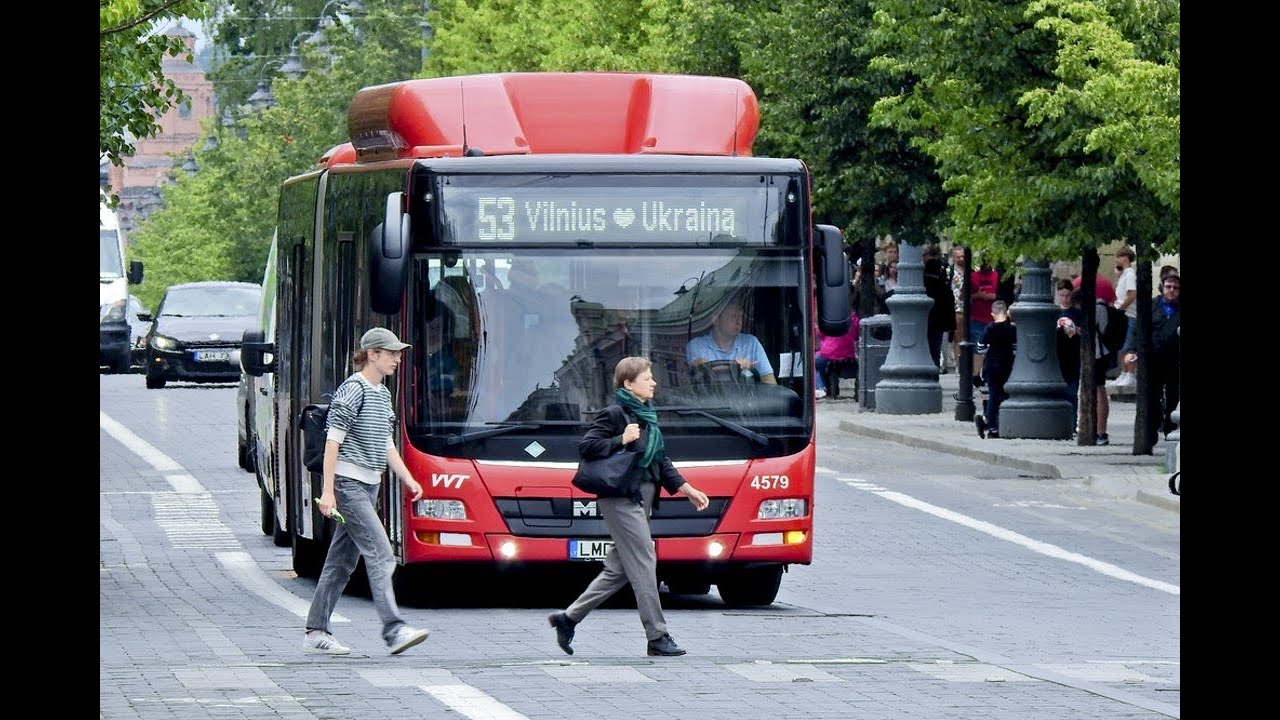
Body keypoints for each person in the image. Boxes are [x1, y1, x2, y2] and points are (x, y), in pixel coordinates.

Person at [548, 357, 711, 657]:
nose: (653, 382)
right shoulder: (614, 413)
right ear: (628, 384)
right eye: (647, 378)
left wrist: (688, 490)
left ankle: (568, 619)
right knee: (645, 559)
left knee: (618, 570)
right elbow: (587, 446)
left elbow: (660, 460)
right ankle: (657, 636)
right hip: (620, 498)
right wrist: (620, 439)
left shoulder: (648, 416)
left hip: (641, 498)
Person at [304, 327, 429, 656]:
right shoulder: (353, 389)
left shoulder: (382, 394)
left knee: (341, 562)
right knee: (381, 553)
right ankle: (394, 629)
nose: (397, 359)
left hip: (369, 486)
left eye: (398, 353)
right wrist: (328, 492)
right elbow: (333, 443)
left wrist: (408, 479)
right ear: (372, 354)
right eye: (392, 353)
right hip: (349, 487)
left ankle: (316, 631)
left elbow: (386, 444)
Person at [1125, 274, 1180, 446]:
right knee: (1153, 397)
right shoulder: (1151, 306)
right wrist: (1131, 350)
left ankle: (1171, 429)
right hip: (1153, 359)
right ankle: (1152, 430)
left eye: (1175, 288)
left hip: (1175, 360)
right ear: (1162, 287)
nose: (1171, 290)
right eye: (1168, 287)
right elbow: (1138, 330)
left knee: (1174, 396)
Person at [686, 303, 777, 383]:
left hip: (745, 397)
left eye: (740, 316)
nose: (739, 322)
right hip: (709, 396)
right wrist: (737, 367)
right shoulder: (696, 345)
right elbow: (694, 377)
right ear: (716, 319)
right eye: (733, 316)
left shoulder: (751, 343)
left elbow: (770, 382)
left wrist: (749, 370)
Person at [974, 300, 1015, 439]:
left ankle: (992, 428)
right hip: (1007, 366)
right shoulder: (1011, 329)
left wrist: (990, 349)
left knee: (992, 396)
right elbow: (1015, 348)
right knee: (1003, 395)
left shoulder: (989, 328)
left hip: (991, 366)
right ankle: (993, 422)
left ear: (993, 314)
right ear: (1006, 313)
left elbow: (980, 348)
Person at [1108, 249, 1139, 388]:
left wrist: (1120, 309)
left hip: (1129, 314)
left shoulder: (1130, 274)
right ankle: (1123, 372)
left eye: (1118, 257)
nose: (1116, 260)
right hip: (1123, 313)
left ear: (1125, 258)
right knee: (1121, 346)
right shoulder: (1124, 274)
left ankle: (1130, 373)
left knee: (1129, 345)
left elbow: (1131, 295)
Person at [923, 244, 955, 370]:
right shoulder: (942, 272)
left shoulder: (926, 272)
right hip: (940, 318)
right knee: (935, 350)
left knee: (929, 348)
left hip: (928, 316)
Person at [969, 257, 999, 385]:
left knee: (991, 348)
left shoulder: (996, 276)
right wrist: (979, 296)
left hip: (993, 317)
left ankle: (987, 374)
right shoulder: (973, 276)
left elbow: (999, 294)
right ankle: (976, 375)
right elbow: (965, 296)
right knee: (977, 347)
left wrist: (991, 296)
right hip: (977, 317)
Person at [815, 311, 859, 399]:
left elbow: (820, 334)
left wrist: (816, 327)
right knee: (821, 364)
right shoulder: (855, 319)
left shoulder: (830, 319)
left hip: (829, 353)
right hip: (848, 354)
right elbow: (856, 336)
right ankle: (825, 387)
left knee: (815, 362)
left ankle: (820, 387)